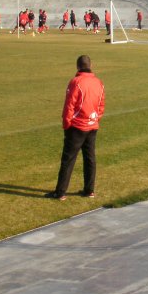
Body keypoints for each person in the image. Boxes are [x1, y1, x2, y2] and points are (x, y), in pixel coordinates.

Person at [46, 55, 105, 200]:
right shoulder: (99, 83)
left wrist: (66, 125)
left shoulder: (76, 82)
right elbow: (101, 105)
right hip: (92, 125)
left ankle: (60, 192)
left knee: (68, 159)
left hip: (77, 127)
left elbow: (69, 106)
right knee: (90, 158)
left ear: (78, 67)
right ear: (91, 65)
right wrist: (95, 119)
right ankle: (89, 190)